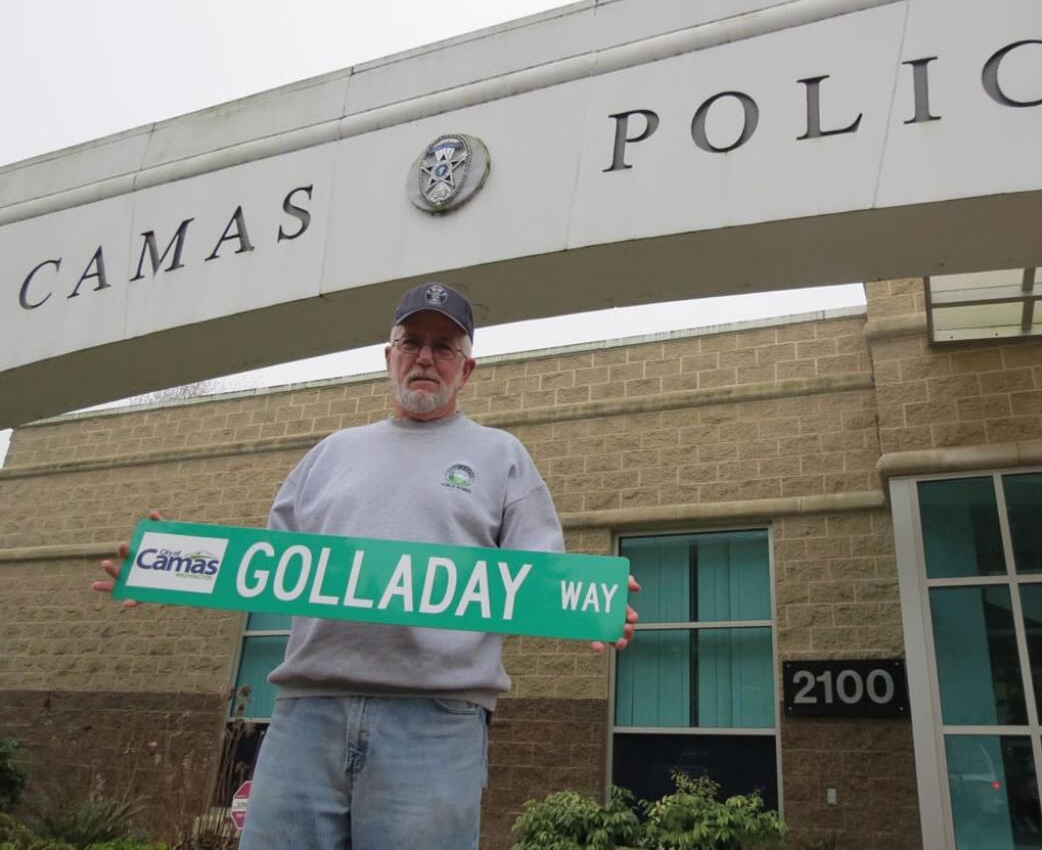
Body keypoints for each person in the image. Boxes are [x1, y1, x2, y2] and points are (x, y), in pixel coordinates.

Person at [93, 282, 638, 849]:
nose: (425, 357)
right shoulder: (329, 454)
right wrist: (162, 566)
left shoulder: (502, 457)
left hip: (436, 725)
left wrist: (592, 610)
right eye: (411, 342)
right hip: (306, 717)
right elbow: (268, 566)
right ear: (389, 356)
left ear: (466, 369)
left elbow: (539, 578)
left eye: (444, 346)